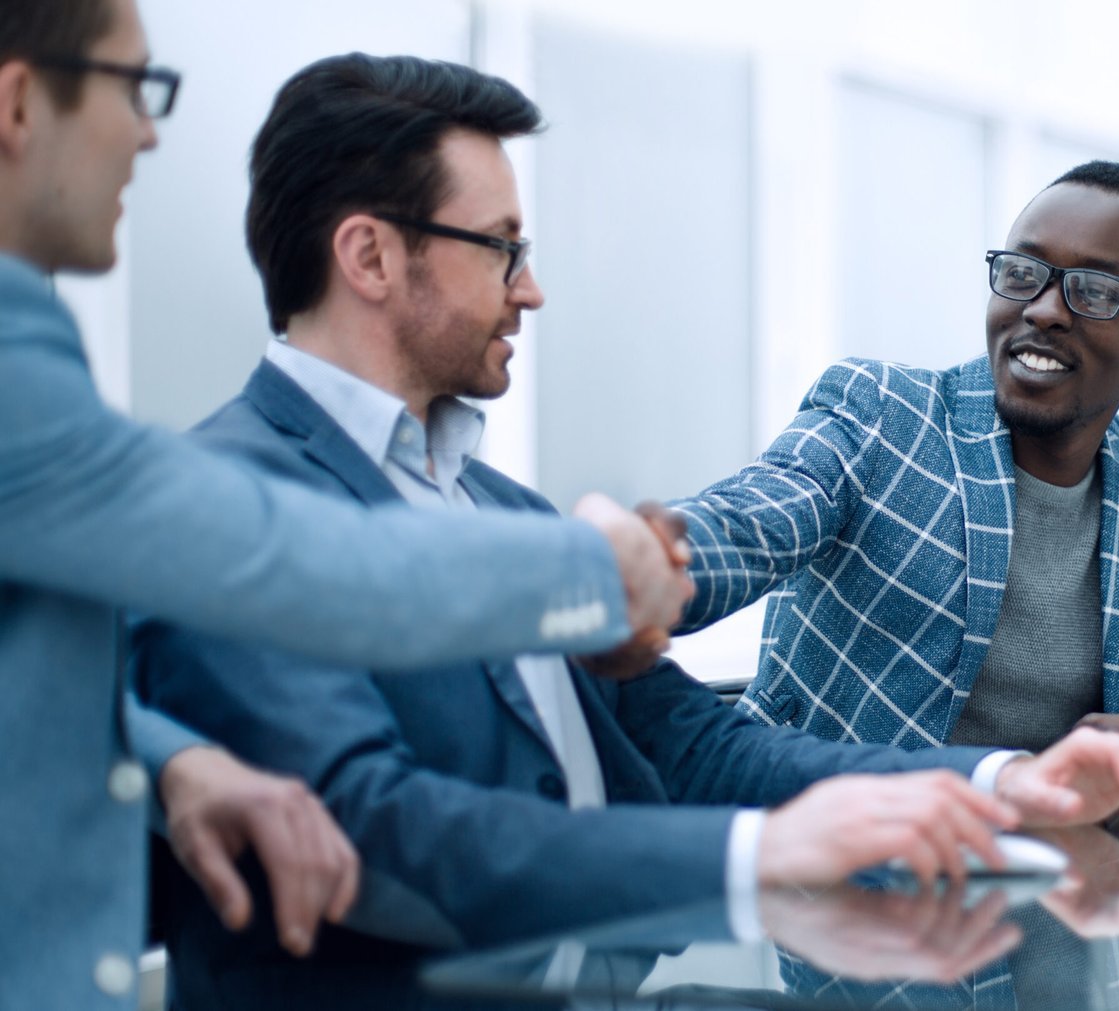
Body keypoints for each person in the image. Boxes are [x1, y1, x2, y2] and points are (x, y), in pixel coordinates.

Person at [133, 52, 1119, 1006]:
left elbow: (691, 744)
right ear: (368, 258)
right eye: (500, 249)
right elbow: (382, 834)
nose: (533, 288)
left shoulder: (492, 508)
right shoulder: (224, 506)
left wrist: (1001, 784)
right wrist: (759, 860)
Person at [0, 2, 691, 1006]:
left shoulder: (496, 499)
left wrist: (169, 759)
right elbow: (302, 566)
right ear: (20, 101)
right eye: (133, 87)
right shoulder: (32, 369)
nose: (150, 133)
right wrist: (596, 571)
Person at [673, 162, 1119, 775]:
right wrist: (636, 561)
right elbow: (741, 526)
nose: (1044, 310)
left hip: (1066, 879)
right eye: (1023, 273)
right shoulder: (885, 416)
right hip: (833, 865)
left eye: (1095, 290)